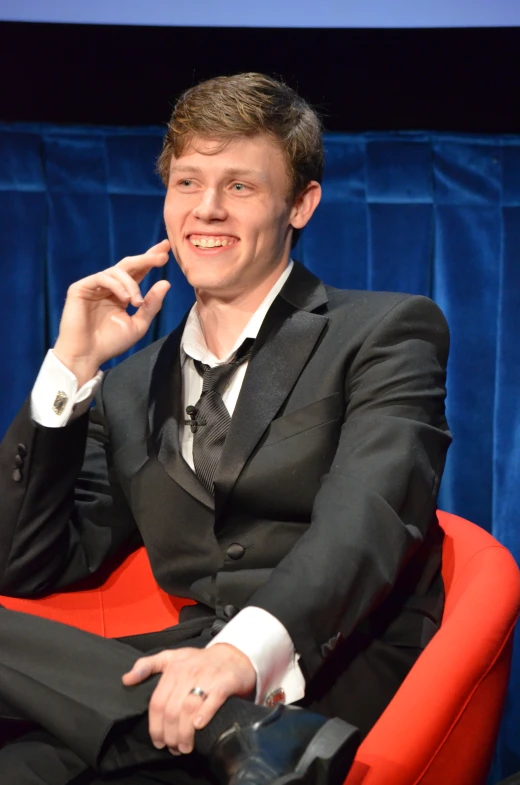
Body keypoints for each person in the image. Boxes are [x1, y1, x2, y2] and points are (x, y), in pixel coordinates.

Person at [0, 73, 451, 784]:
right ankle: (237, 732)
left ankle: (245, 720)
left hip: (319, 673)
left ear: (300, 204)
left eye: (239, 186)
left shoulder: (385, 331)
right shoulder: (125, 384)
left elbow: (368, 515)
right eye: (187, 182)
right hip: (177, 687)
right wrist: (70, 366)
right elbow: (25, 564)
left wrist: (241, 654)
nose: (205, 209)